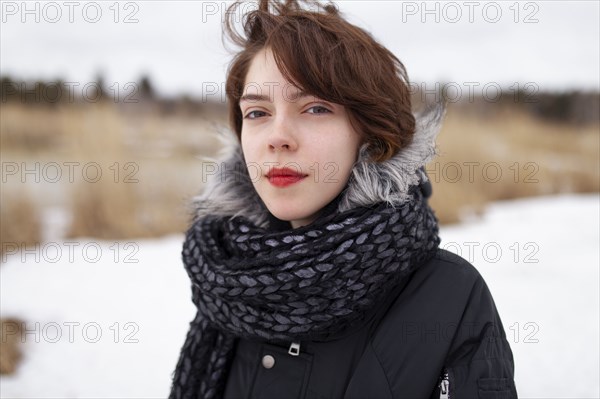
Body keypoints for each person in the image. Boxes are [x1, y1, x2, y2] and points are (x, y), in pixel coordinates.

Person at [169, 0, 517, 398]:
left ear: (370, 134)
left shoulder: (449, 299)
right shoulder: (229, 281)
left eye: (315, 108)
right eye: (257, 113)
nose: (277, 136)